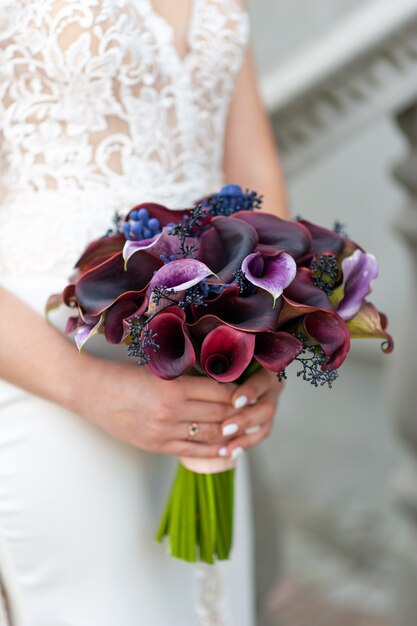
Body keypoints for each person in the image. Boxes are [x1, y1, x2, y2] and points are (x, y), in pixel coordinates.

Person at [0, 1, 288, 624]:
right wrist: (90, 389)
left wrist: (273, 336)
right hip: (44, 367)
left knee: (207, 607)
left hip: (207, 358)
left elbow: (255, 173)